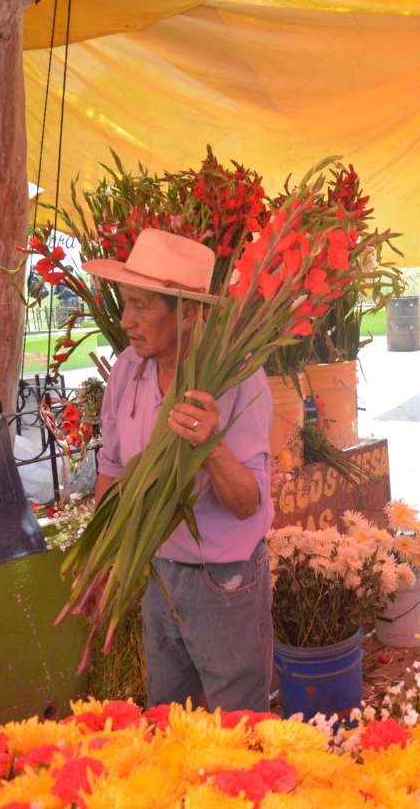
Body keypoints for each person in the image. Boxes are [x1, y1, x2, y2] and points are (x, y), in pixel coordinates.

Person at [86, 229, 275, 712]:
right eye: (125, 303)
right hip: (159, 573)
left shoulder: (238, 378)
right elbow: (111, 469)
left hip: (224, 582)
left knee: (236, 733)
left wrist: (211, 446)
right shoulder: (129, 370)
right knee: (168, 721)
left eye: (142, 305)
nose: (126, 320)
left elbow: (246, 504)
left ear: (187, 311)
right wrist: (104, 558)